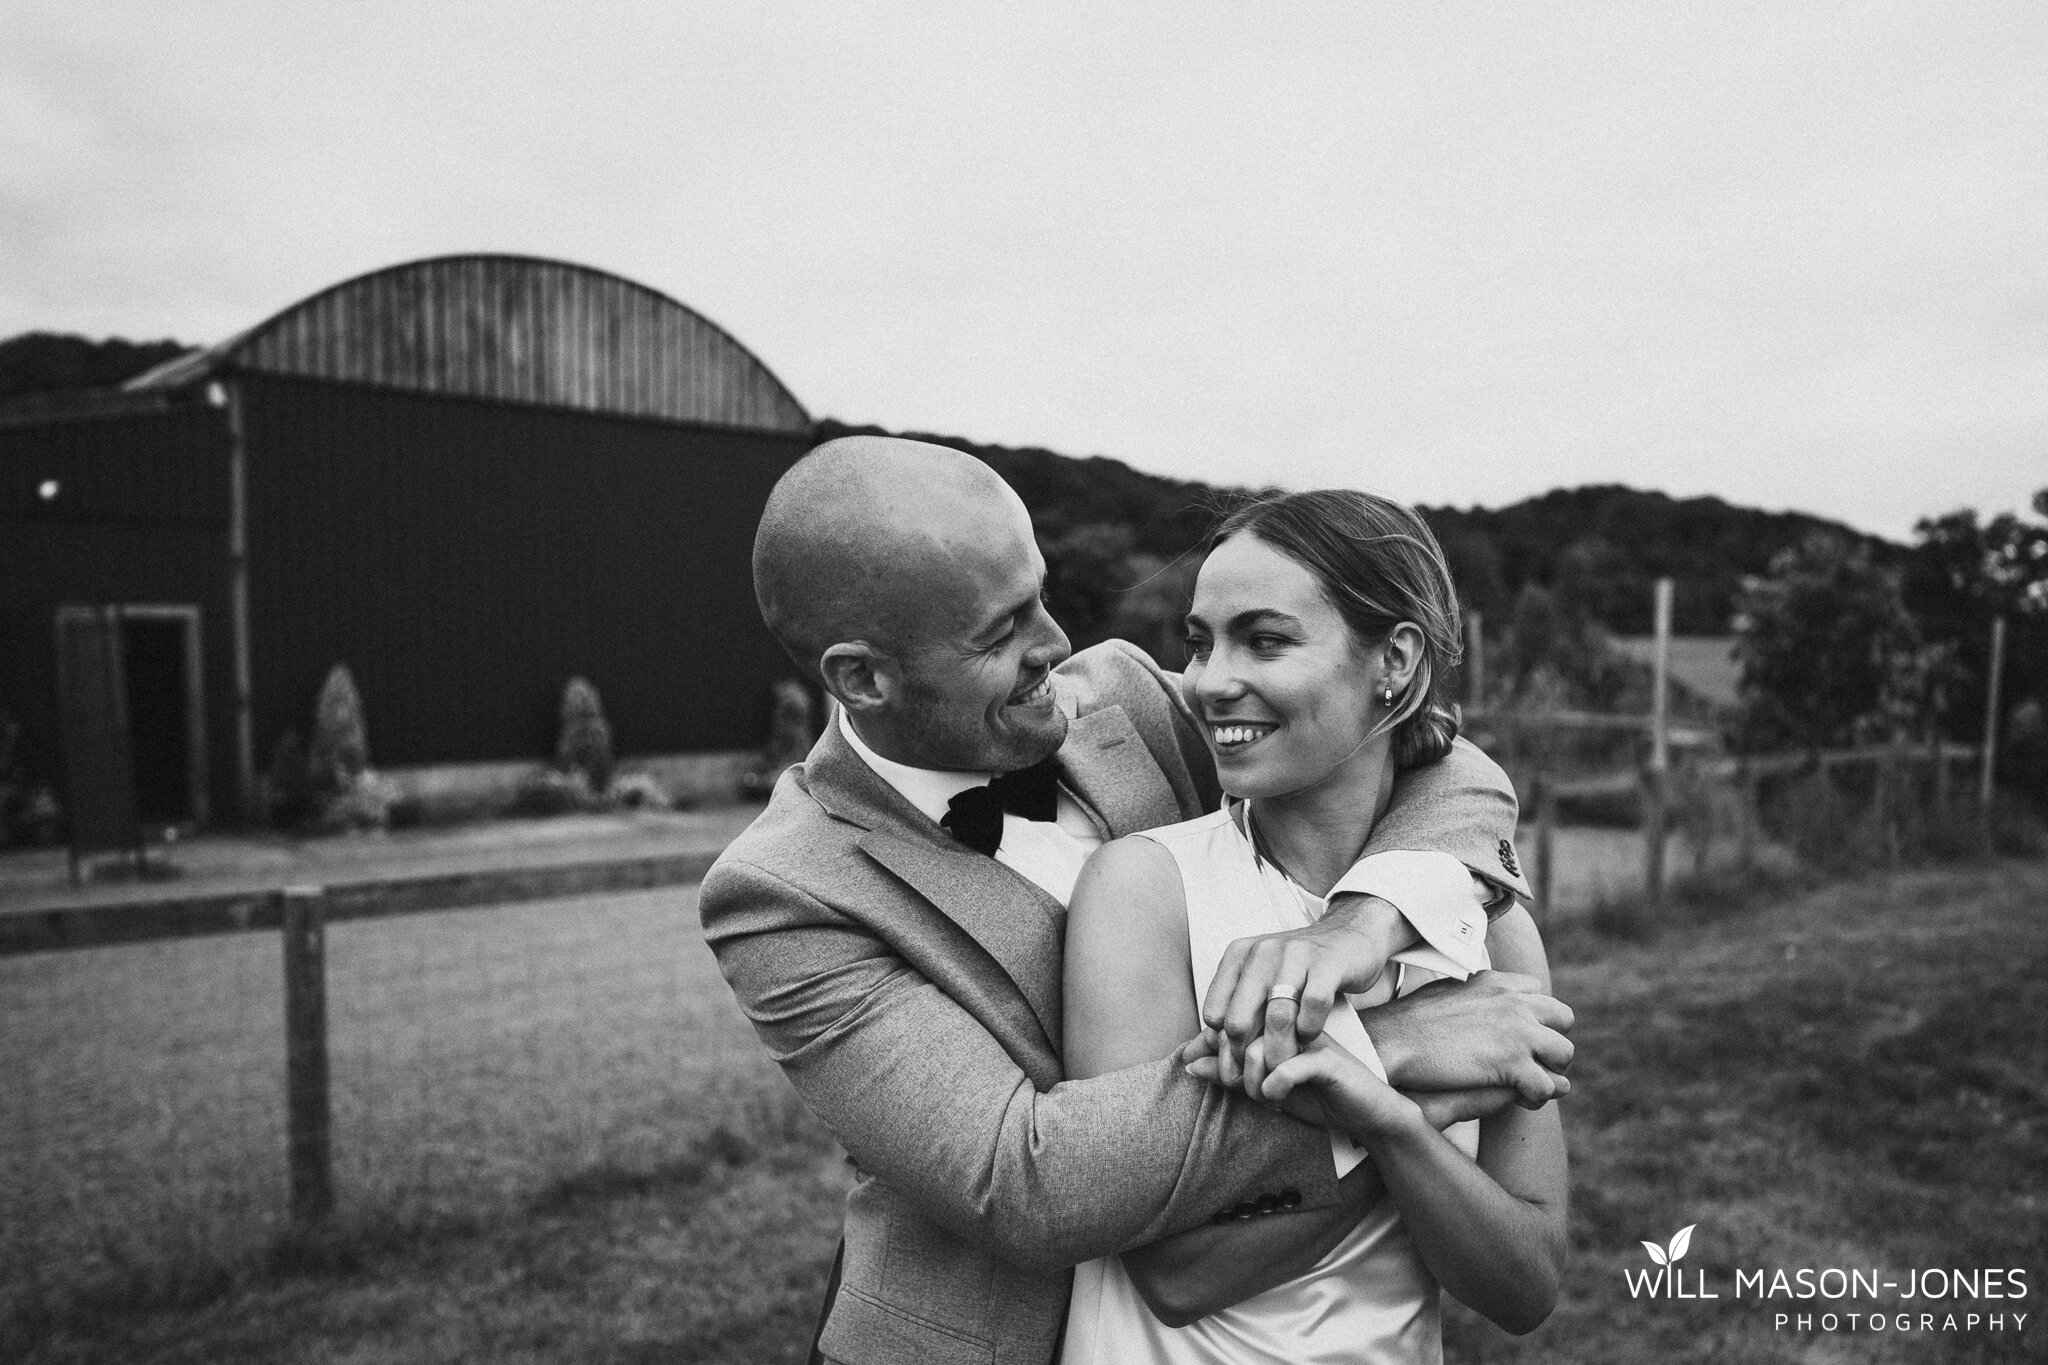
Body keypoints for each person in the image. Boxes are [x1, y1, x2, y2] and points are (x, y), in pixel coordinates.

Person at [698, 436, 1574, 1365]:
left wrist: (1368, 921)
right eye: (1001, 633)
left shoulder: (1122, 699)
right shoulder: (785, 892)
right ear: (863, 678)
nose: (1057, 645)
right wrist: (1388, 1048)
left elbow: (1423, 751)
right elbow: (1021, 1181)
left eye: (1040, 592)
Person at [1060, 489, 1569, 1363]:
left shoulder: (1491, 931)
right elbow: (1175, 1271)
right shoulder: (1147, 887)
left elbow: (1524, 1285)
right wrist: (1390, 1073)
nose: (1209, 680)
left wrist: (1393, 1123)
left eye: (1264, 639)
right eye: (1200, 640)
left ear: (1395, 663)